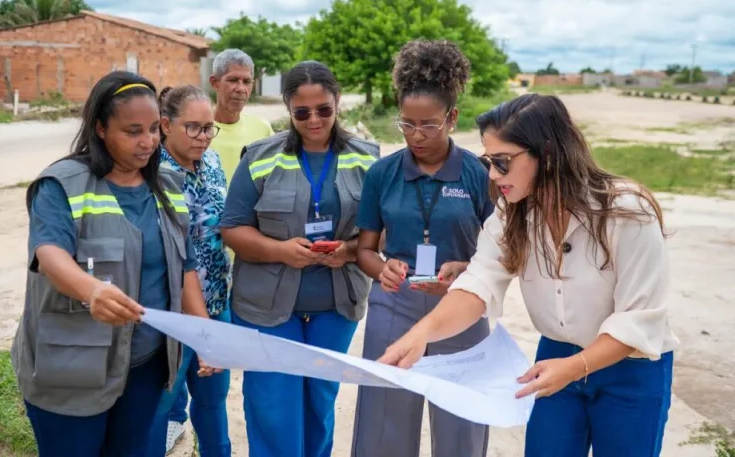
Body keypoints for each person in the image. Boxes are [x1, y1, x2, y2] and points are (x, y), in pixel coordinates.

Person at [378, 93, 680, 457]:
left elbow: (637, 319)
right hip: (555, 355)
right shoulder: (512, 213)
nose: (492, 174)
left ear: (547, 153)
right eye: (489, 161)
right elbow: (478, 283)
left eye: (502, 162)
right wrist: (421, 334)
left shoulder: (627, 212)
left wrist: (577, 367)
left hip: (630, 366)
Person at [10, 71, 214, 456]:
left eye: (153, 130)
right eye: (133, 131)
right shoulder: (63, 184)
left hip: (146, 366)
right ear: (101, 128)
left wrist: (205, 334)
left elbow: (184, 266)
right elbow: (49, 254)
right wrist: (93, 291)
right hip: (72, 368)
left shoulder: (167, 186)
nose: (148, 141)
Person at [220, 60, 380, 457]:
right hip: (266, 309)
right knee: (274, 408)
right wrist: (280, 251)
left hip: (335, 309)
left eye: (324, 109)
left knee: (319, 404)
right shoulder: (260, 157)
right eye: (302, 112)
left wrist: (349, 251)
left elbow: (384, 228)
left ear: (337, 102)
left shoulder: (368, 158)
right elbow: (233, 227)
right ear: (288, 108)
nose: (314, 120)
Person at [350, 40, 494, 457]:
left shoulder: (478, 174)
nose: (416, 135)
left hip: (461, 308)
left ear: (452, 118)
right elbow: (364, 250)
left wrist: (464, 270)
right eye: (407, 124)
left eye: (429, 125)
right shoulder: (382, 174)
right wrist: (381, 269)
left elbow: (501, 252)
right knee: (384, 426)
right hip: (394, 308)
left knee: (462, 427)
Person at [145, 85, 233, 456]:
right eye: (193, 127)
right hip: (172, 313)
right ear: (166, 125)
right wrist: (201, 330)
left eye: (209, 128)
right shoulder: (152, 172)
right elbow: (175, 257)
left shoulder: (212, 162)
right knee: (159, 408)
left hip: (216, 302)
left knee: (213, 400)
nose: (203, 137)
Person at [208, 48, 274, 184]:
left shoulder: (262, 129)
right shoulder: (196, 131)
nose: (241, 89)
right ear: (215, 82)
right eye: (233, 80)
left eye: (247, 81)